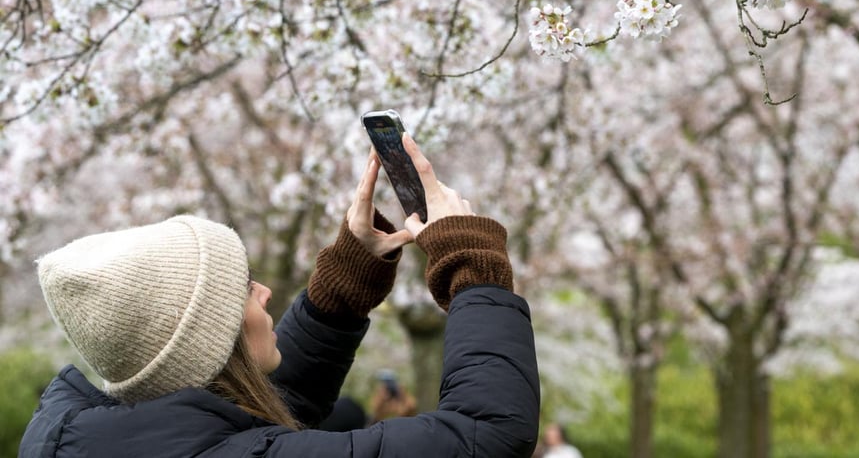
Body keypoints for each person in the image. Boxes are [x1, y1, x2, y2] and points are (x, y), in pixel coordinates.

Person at [19, 134, 539, 457]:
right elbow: (485, 436)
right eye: (244, 289)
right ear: (214, 337)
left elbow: (261, 419)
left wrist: (343, 288)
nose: (265, 292)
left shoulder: (97, 439)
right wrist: (473, 265)